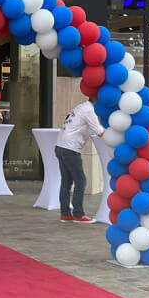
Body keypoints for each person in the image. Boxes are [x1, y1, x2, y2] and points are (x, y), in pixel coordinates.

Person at [55, 96, 104, 224]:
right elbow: (99, 131)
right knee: (80, 180)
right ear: (97, 100)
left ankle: (65, 214)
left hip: (60, 145)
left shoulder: (81, 106)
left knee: (66, 181)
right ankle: (78, 214)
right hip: (70, 148)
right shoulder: (89, 110)